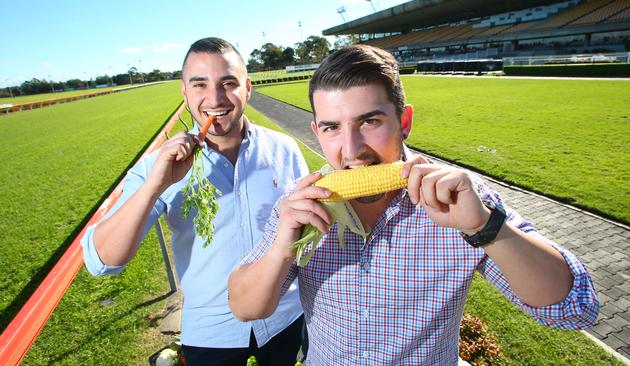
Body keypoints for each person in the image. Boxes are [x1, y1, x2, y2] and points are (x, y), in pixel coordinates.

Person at [228, 44, 599, 365]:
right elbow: (245, 307)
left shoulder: (459, 200)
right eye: (332, 128)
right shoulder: (301, 202)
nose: (352, 150)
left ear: (404, 122)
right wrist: (282, 246)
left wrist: (486, 227)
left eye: (369, 121)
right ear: (317, 132)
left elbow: (574, 308)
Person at [81, 37, 307, 366]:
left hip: (285, 318)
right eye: (199, 84)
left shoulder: (284, 149)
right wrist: (156, 185)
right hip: (212, 335)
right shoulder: (156, 166)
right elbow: (102, 261)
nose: (215, 98)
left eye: (228, 83)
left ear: (248, 87)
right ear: (184, 92)